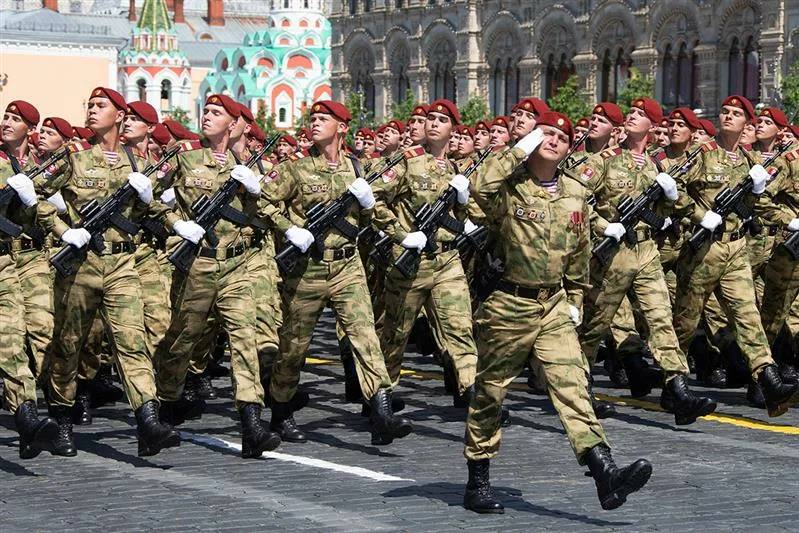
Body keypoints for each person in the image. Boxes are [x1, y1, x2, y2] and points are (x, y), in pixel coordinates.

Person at [464, 111, 652, 513]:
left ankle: (604, 470)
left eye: (562, 137)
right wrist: (519, 147)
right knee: (491, 391)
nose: (554, 140)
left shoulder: (575, 191)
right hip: (508, 304)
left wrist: (574, 300)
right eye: (546, 133)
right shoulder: (509, 186)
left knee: (573, 384)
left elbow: (580, 251)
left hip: (552, 304)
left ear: (570, 149)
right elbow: (478, 187)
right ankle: (478, 476)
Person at [259, 100, 413, 445]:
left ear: (342, 127)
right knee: (294, 346)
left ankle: (382, 410)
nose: (315, 124)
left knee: (365, 337)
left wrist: (383, 216)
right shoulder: (295, 169)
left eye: (323, 119)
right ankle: (281, 411)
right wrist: (288, 228)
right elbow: (263, 201)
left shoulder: (359, 170)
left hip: (347, 265)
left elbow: (377, 215)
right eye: (312, 119)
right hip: (306, 268)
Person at [43, 87, 178, 457]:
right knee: (70, 346)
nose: (91, 111)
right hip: (81, 265)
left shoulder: (137, 165)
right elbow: (34, 197)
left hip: (122, 264)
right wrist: (63, 230)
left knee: (132, 344)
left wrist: (156, 203)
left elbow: (151, 215)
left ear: (119, 115)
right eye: (89, 106)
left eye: (100, 106)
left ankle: (148, 421)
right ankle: (62, 421)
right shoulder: (73, 159)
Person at [152, 93, 281, 458]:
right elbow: (147, 197)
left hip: (239, 264)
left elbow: (273, 209)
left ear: (234, 122)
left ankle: (252, 422)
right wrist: (176, 222)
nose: (207, 117)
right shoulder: (183, 157)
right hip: (199, 263)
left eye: (216, 112)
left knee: (244, 338)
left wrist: (257, 189)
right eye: (205, 111)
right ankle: (165, 399)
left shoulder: (251, 164)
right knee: (183, 339)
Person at [579, 98, 715, 424]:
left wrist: (672, 203)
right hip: (612, 254)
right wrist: (602, 226)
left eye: (639, 115)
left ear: (651, 128)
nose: (631, 117)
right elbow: (576, 197)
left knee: (660, 319)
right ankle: (577, 388)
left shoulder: (658, 166)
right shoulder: (606, 160)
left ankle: (677, 388)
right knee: (595, 327)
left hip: (647, 251)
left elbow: (668, 212)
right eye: (631, 113)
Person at [673, 95, 798, 417]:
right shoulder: (701, 153)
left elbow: (758, 207)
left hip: (736, 247)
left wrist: (759, 196)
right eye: (725, 112)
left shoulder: (748, 161)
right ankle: (672, 381)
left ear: (747, 124)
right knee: (686, 322)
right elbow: (672, 192)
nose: (728, 117)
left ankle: (767, 379)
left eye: (736, 114)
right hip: (703, 249)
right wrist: (699, 215)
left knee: (748, 316)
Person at [0, 102, 60, 460]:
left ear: (30, 128)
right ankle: (27, 416)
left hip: (33, 257)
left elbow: (54, 206)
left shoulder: (40, 167)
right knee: (9, 336)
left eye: (16, 119)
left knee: (41, 332)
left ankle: (28, 412)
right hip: (3, 258)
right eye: (5, 117)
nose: (7, 122)